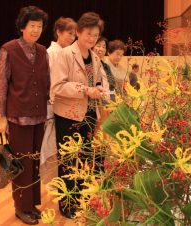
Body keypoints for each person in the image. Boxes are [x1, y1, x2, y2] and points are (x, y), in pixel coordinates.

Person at [51, 12, 109, 219]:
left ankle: (82, 199)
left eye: (96, 35)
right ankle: (66, 202)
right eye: (88, 34)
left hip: (89, 114)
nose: (92, 39)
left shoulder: (94, 57)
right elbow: (57, 86)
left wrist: (99, 86)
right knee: (67, 159)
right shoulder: (66, 54)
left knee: (85, 159)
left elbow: (98, 80)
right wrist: (85, 89)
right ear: (78, 32)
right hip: (69, 115)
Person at [0, 6, 49, 225]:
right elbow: (2, 86)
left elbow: (45, 82)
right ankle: (21, 207)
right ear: (22, 27)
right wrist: (1, 118)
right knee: (21, 163)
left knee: (35, 162)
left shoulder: (43, 51)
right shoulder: (8, 49)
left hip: (39, 115)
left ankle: (32, 204)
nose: (36, 30)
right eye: (32, 26)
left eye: (39, 26)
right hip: (18, 117)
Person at [40, 17, 77, 192]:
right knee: (53, 144)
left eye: (74, 34)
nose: (72, 37)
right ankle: (54, 181)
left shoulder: (68, 52)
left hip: (66, 103)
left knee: (61, 144)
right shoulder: (52, 52)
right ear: (58, 32)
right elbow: (51, 81)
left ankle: (59, 180)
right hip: (54, 103)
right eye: (69, 33)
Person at [92, 36, 115, 138]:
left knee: (107, 137)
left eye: (103, 47)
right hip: (97, 105)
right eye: (98, 46)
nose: (101, 49)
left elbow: (111, 86)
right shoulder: (90, 64)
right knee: (99, 137)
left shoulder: (106, 66)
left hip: (109, 105)